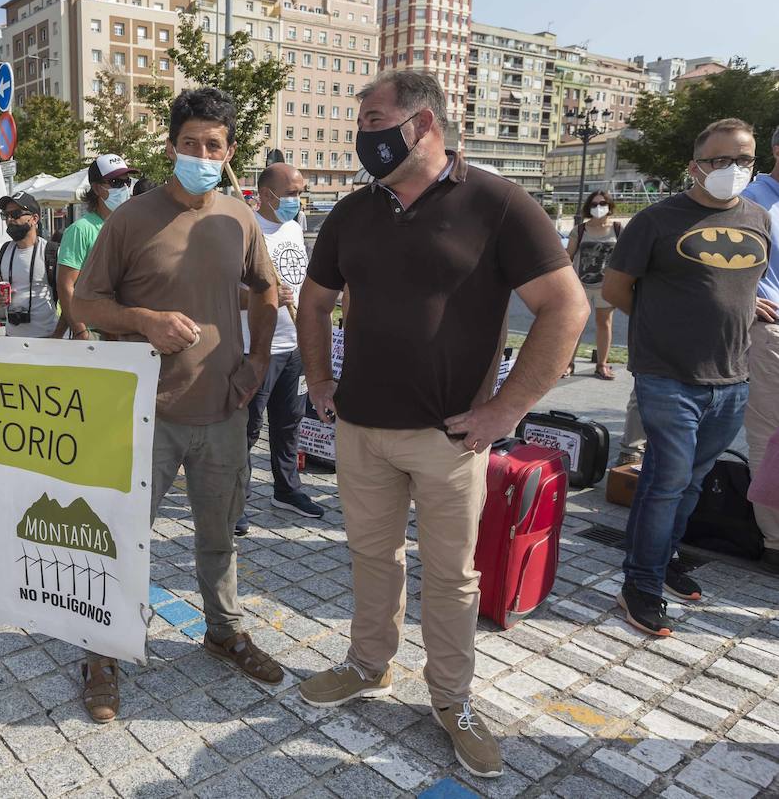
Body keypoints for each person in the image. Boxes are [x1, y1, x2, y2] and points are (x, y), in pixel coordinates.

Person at [295, 71, 586, 779]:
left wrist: (506, 409)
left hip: (451, 438)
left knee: (453, 578)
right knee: (372, 557)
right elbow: (312, 303)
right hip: (361, 431)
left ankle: (452, 701)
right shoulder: (353, 212)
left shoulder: (499, 203)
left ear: (423, 125)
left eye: (373, 120)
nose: (363, 136)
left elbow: (567, 307)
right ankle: (369, 665)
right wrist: (321, 382)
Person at [73, 87, 283, 723]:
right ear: (171, 146)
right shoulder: (131, 218)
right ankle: (102, 649)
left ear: (228, 152)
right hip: (145, 413)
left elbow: (268, 289)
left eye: (212, 146)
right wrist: (142, 320)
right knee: (119, 535)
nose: (200, 154)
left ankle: (223, 633)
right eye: (189, 143)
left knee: (220, 537)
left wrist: (255, 363)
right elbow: (83, 303)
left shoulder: (238, 219)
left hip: (222, 410)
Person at [603, 118, 770, 633]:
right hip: (667, 375)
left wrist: (749, 307)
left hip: (732, 376)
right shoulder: (656, 220)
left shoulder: (760, 218)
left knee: (691, 481)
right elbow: (615, 290)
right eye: (720, 160)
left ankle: (662, 557)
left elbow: (742, 283)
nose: (732, 169)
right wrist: (668, 324)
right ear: (696, 165)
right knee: (667, 481)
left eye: (743, 159)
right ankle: (641, 584)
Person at [235, 162, 322, 537]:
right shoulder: (245, 231)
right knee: (247, 428)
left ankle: (287, 490)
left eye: (301, 193)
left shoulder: (292, 226)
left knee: (289, 423)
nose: (297, 201)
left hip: (294, 345)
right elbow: (226, 291)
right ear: (267, 195)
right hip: (256, 349)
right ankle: (233, 501)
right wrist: (262, 294)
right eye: (292, 194)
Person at [742, 124, 779, 573]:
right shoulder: (754, 199)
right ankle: (774, 539)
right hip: (770, 333)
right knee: (770, 435)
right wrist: (746, 300)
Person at [58, 155, 137, 341]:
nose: (124, 188)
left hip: (127, 330)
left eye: (127, 181)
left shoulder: (131, 226)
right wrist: (80, 331)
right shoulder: (80, 229)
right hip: (95, 332)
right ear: (96, 188)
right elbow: (65, 285)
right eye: (116, 182)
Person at [565, 191, 622, 380]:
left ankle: (602, 365)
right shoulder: (580, 230)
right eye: (594, 204)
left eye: (603, 203)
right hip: (580, 285)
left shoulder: (618, 229)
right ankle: (567, 363)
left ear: (609, 205)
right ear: (589, 207)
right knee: (576, 324)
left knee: (604, 323)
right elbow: (567, 257)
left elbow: (627, 257)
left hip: (606, 287)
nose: (599, 207)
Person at [0, 191, 62, 338]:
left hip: (46, 338)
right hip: (11, 337)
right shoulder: (5, 250)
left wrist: (58, 336)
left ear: (34, 218)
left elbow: (69, 299)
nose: (10, 219)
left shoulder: (51, 252)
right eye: (5, 215)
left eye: (16, 214)